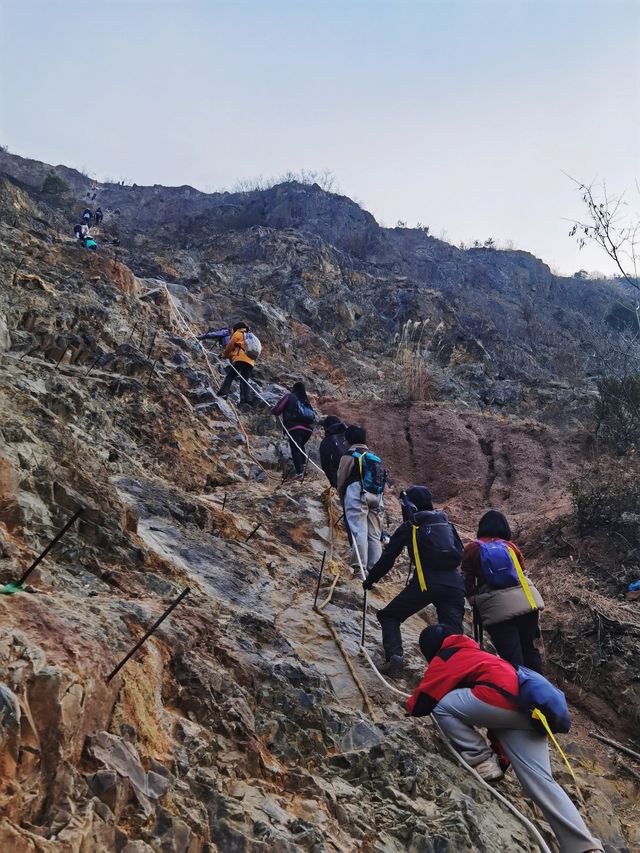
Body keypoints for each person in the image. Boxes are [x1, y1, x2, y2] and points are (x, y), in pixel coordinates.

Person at [407, 625, 604, 853]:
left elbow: (424, 701)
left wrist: (406, 707)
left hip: (506, 705)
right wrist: (501, 756)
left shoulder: (448, 656)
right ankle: (585, 848)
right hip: (530, 714)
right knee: (542, 783)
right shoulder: (479, 653)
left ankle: (480, 759)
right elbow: (495, 718)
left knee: (441, 707)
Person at [363, 486, 465, 677]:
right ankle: (455, 675)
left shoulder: (412, 525)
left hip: (427, 583)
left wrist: (371, 579)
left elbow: (388, 558)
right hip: (455, 586)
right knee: (454, 635)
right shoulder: (446, 524)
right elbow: (460, 553)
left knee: (389, 616)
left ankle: (394, 661)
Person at [462, 510, 544, 672]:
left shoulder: (472, 548)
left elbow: (466, 580)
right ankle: (539, 691)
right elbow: (522, 573)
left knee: (512, 659)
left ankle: (516, 693)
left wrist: (472, 598)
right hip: (527, 605)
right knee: (528, 649)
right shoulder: (511, 547)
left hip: (497, 611)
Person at [337, 426, 385, 574]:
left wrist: (342, 498)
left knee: (359, 530)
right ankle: (375, 570)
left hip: (357, 493)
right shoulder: (372, 456)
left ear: (349, 439)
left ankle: (359, 569)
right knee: (374, 534)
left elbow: (341, 479)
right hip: (377, 496)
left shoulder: (349, 455)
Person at [271, 382, 316, 477]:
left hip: (295, 428)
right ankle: (303, 467)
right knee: (300, 446)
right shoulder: (306, 401)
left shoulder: (289, 396)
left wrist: (272, 409)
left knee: (295, 449)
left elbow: (277, 410)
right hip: (308, 430)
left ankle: (299, 472)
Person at [217, 322, 255, 404]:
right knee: (244, 380)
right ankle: (246, 399)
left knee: (230, 376)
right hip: (251, 361)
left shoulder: (238, 333)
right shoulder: (250, 335)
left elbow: (230, 345)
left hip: (240, 359)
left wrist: (224, 355)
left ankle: (223, 393)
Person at [319, 416, 349, 488]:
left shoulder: (326, 441)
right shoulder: (350, 435)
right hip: (360, 481)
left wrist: (334, 483)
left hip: (341, 483)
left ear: (326, 427)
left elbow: (326, 466)